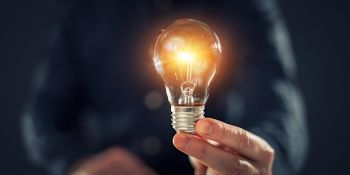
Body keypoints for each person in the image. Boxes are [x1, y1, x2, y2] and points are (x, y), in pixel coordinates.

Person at [21, 0, 308, 174]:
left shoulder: (243, 6)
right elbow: (42, 114)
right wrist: (79, 166)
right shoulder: (85, 9)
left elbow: (279, 108)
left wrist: (250, 162)